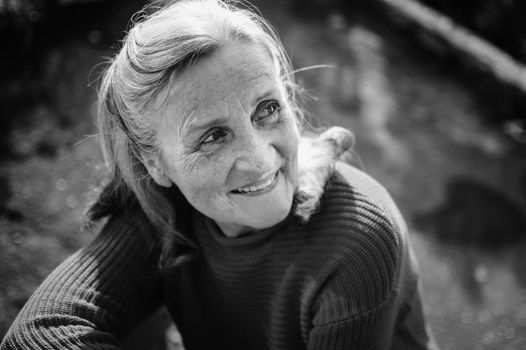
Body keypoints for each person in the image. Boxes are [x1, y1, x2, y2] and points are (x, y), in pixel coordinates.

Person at [1, 0, 439, 349]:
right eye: (212, 136)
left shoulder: (358, 238)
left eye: (267, 109)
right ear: (155, 164)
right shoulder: (161, 213)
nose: (260, 159)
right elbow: (37, 334)